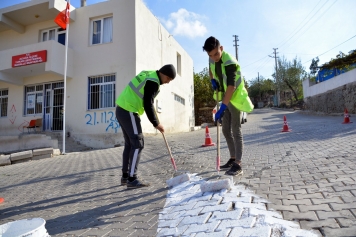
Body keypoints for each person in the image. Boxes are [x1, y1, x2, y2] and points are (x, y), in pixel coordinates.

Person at [115, 64, 176, 188]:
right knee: (138, 143)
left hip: (122, 109)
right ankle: (132, 179)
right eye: (168, 79)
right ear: (164, 74)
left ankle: (125, 177)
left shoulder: (149, 74)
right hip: (129, 110)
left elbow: (149, 101)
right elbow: (147, 104)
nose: (168, 82)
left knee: (129, 144)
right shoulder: (153, 82)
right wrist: (156, 124)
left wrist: (156, 119)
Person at [203, 36, 254, 176]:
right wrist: (212, 80)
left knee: (235, 130)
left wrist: (222, 108)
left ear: (221, 48)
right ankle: (232, 159)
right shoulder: (211, 58)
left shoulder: (230, 62)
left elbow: (231, 86)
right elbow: (211, 69)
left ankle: (238, 164)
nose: (214, 57)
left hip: (235, 98)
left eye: (216, 54)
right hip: (225, 97)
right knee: (225, 130)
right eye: (210, 55)